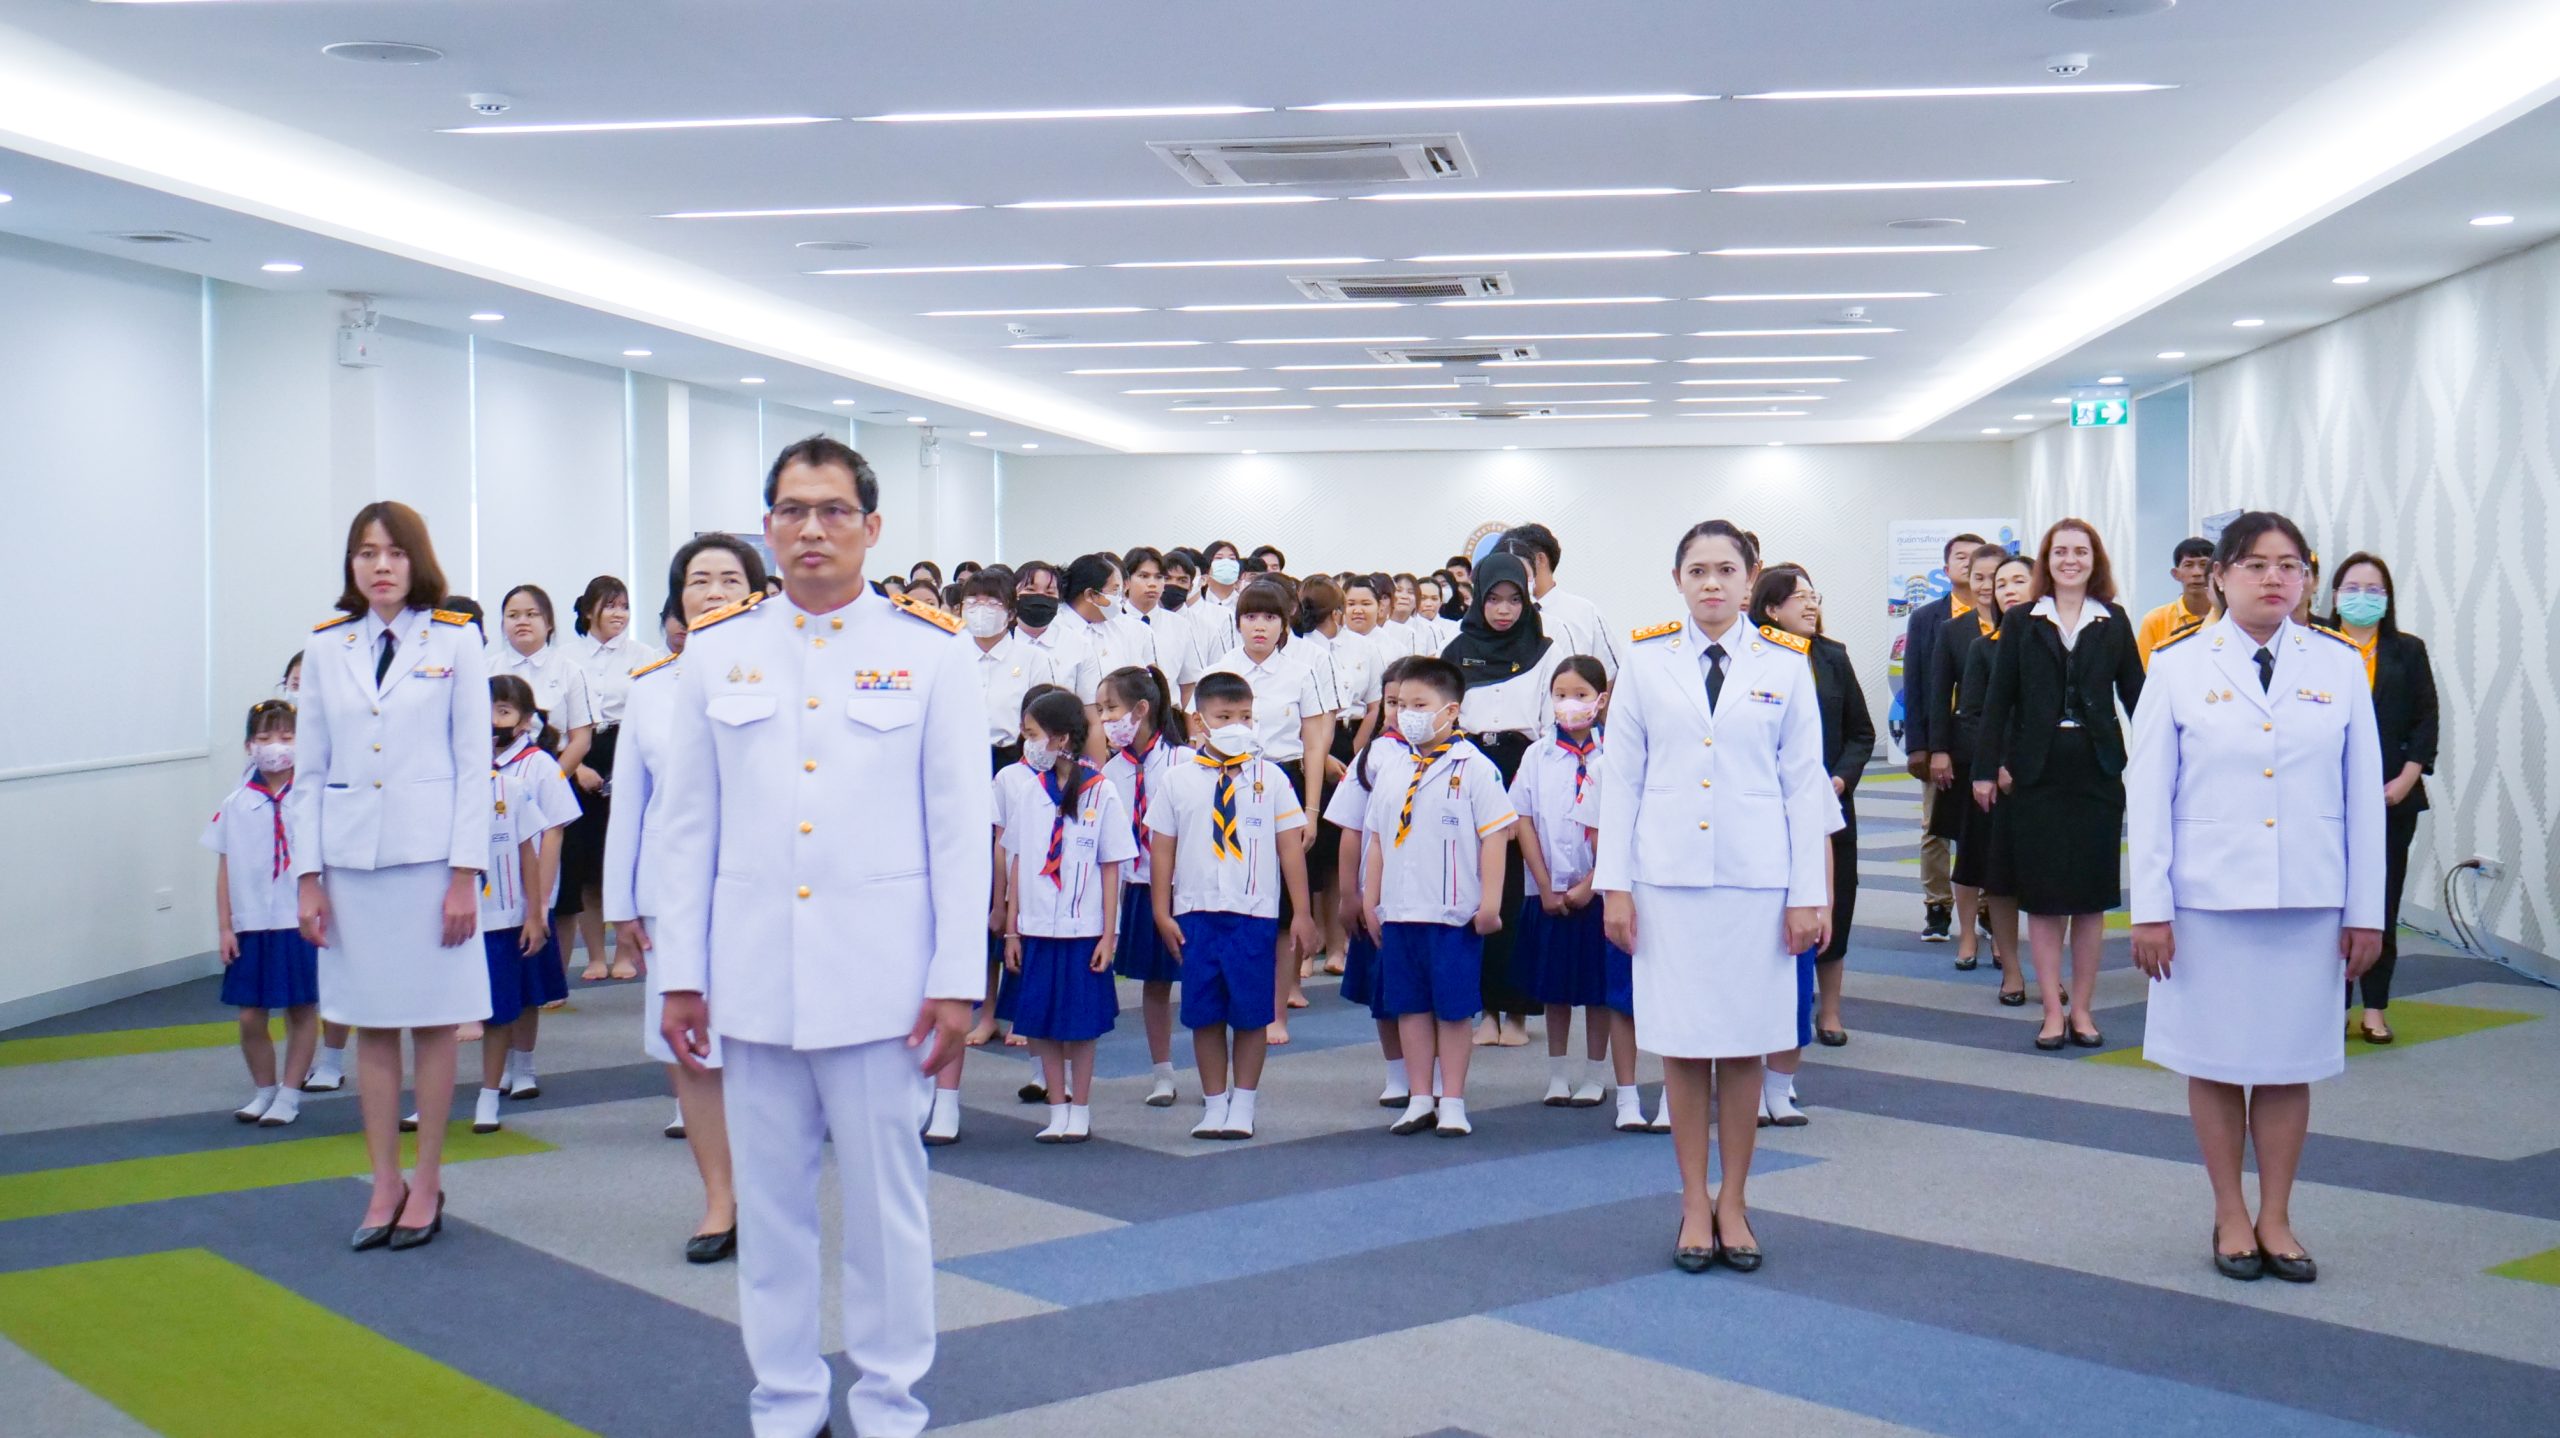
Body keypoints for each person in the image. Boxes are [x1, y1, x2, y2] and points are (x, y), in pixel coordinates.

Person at [652, 435, 990, 1438]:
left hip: (885, 984)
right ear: (768, 527)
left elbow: (958, 828)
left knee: (887, 1215)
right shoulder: (718, 649)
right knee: (771, 1216)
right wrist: (680, 974)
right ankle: (786, 1404)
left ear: (871, 526)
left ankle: (889, 1407)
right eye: (793, 510)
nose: (812, 529)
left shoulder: (930, 650)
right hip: (752, 977)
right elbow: (687, 829)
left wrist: (957, 978)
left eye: (834, 510)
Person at [2128, 511, 2383, 1284]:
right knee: (2213, 1060)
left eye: (2290, 565)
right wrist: (2150, 908)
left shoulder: (2338, 664)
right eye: (2256, 564)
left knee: (2285, 1062)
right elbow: (2150, 794)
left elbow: (2362, 796)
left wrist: (2365, 910)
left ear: (2306, 578)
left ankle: (2276, 1215)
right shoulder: (2177, 665)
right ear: (2221, 576)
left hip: (2308, 898)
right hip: (2206, 901)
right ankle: (2229, 1212)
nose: (2275, 578)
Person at [1597, 520, 1839, 1275]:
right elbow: (1621, 782)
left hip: (1756, 883)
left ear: (1749, 578)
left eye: (1726, 569)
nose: (1711, 583)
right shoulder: (1644, 661)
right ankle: (1692, 1201)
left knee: (1742, 1045)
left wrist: (1809, 894)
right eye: (1697, 570)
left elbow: (1803, 785)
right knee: (1681, 1044)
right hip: (1666, 883)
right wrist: (1614, 887)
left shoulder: (1786, 663)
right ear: (1677, 580)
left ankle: (1733, 1200)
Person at [288, 501, 491, 1252]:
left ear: (417, 560)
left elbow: (474, 765)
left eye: (395, 552)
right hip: (352, 866)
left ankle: (427, 1180)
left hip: (432, 863)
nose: (380, 565)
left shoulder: (455, 639)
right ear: (352, 564)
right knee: (370, 1025)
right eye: (367, 552)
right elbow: (309, 773)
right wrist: (307, 877)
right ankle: (384, 1182)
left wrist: (465, 874)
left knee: (435, 1025)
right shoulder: (327, 646)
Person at [604, 533, 766, 1263]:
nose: (714, 591)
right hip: (673, 894)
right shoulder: (650, 687)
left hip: (763, 886)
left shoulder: (784, 675)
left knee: (763, 1049)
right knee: (693, 1051)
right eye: (699, 580)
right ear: (678, 598)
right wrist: (620, 904)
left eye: (730, 578)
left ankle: (769, 1192)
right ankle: (719, 1200)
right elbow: (631, 805)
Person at [1975, 519, 2145, 1051]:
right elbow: (1998, 699)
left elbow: (2138, 696)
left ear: (2096, 560)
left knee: (2091, 899)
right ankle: (2052, 1009)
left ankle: (2084, 1010)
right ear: (2046, 560)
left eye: (2081, 551)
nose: (2071, 560)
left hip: (2096, 770)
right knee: (2046, 899)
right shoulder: (2022, 619)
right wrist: (1985, 768)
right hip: (2037, 772)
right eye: (2060, 551)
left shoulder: (2113, 620)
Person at [1146, 670, 1320, 1141]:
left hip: (1253, 913)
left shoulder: (1272, 778)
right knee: (1204, 1013)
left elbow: (1289, 848)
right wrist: (1161, 910)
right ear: (1199, 721)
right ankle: (1214, 1102)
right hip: (1196, 912)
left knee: (1250, 1013)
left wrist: (1302, 912)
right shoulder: (1177, 780)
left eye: (1245, 716)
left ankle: (1243, 1103)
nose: (1236, 726)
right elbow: (1162, 848)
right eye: (1224, 717)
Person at [1359, 657, 1515, 1138]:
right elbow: (1378, 839)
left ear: (1450, 710)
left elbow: (1495, 837)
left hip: (1452, 914)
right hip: (1400, 909)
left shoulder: (1475, 768)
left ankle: (1453, 1101)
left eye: (1420, 705)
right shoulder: (1391, 767)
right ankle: (1420, 1097)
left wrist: (1491, 903)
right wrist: (1370, 898)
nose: (1408, 714)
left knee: (1451, 1010)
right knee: (1409, 1007)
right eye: (1402, 705)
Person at [1754, 565, 1876, 1113]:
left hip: (1828, 798)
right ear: (1770, 608)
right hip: (1765, 803)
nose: (1810, 605)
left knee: (1834, 899)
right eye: (1798, 597)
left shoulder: (1832, 656)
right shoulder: (1753, 658)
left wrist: (1841, 778)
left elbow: (1862, 732)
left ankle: (1829, 1009)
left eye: (1813, 596)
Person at [1199, 579, 1336, 1040]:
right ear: (1237, 623)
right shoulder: (1220, 670)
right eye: (1251, 617)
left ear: (1285, 623)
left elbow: (1314, 745)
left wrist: (1311, 809)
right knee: (1234, 894)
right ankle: (1231, 998)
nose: (1260, 626)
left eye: (1271, 617)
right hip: (1229, 782)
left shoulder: (1301, 671)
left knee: (1283, 904)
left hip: (1284, 779)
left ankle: (1278, 1008)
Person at [1001, 690, 1134, 1143]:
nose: (1029, 744)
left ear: (1060, 739)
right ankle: (1056, 1107)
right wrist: (1012, 930)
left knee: (1079, 1024)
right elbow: (1018, 861)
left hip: (1083, 930)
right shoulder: (1029, 792)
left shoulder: (1101, 791)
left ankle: (1080, 1108)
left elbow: (1111, 866)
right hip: (1037, 927)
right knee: (1040, 1021)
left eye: (1034, 734)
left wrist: (1109, 935)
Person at [1443, 552, 1562, 1047]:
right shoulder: (1456, 650)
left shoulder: (1545, 650)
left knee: (1516, 893)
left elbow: (1551, 721)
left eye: (1515, 599)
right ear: (1478, 599)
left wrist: (1529, 786)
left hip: (1523, 764)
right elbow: (1445, 716)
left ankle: (1516, 1014)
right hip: (1469, 766)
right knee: (1475, 890)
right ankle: (1484, 1011)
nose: (1505, 610)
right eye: (1494, 599)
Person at [2327, 553, 2438, 1043]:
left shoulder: (2407, 651)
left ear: (2388, 599)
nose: (2363, 598)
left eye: (2374, 590)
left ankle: (2374, 1008)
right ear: (2334, 596)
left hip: (2393, 797)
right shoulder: (2316, 645)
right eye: (2353, 588)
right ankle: (2332, 1005)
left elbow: (2425, 720)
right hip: (2326, 800)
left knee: (2381, 902)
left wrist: (2407, 779)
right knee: (2328, 906)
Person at [464, 675, 579, 1134]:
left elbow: (550, 832)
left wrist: (540, 902)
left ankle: (522, 1066)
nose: (493, 721)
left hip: (522, 896)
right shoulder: (463, 770)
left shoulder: (536, 766)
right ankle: (486, 1076)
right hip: (474, 902)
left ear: (526, 720)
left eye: (504, 711)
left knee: (524, 987)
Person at [205, 699, 321, 1127]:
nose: (276, 746)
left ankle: (290, 1094)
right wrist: (225, 926)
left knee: (301, 1008)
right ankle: (264, 1090)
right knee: (250, 1015)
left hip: (298, 919)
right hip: (251, 923)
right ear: (249, 746)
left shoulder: (313, 797)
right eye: (265, 737)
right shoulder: (236, 802)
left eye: (287, 737)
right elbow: (224, 868)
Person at [1511, 656, 1619, 1114]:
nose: (1569, 704)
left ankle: (1595, 1074)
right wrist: (1543, 884)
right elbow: (1523, 819)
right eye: (1560, 695)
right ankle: (1557, 1073)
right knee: (1554, 987)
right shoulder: (1537, 754)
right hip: (1548, 889)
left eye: (1580, 695)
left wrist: (1592, 884)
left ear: (1601, 699)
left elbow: (1624, 825)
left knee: (1598, 989)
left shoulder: (1616, 753)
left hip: (1602, 891)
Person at [488, 584, 600, 989]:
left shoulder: (568, 669)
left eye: (532, 614)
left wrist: (545, 782)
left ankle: (553, 976)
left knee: (561, 890)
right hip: (494, 792)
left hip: (551, 782)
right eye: (513, 614)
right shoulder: (486, 669)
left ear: (549, 623)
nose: (522, 621)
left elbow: (581, 737)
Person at [1099, 665, 1192, 1106]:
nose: (1104, 719)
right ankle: (1163, 1073)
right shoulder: (1110, 771)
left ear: (1140, 709)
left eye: (1110, 709)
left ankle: (1219, 1072)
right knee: (1155, 984)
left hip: (1186, 886)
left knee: (1206, 979)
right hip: (1140, 886)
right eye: (1100, 710)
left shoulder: (1184, 762)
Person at [562, 576, 660, 987]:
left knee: (623, 854)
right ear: (589, 611)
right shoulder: (566, 657)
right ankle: (596, 955)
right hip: (582, 751)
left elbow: (651, 714)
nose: (619, 614)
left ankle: (624, 952)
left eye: (624, 606)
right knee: (586, 864)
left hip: (628, 748)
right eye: (610, 606)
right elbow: (561, 720)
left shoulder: (645, 655)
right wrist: (577, 766)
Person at [1958, 554, 2039, 1007]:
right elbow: (1972, 716)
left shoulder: (2058, 644)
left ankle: (2049, 972)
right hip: (1999, 780)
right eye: (2001, 583)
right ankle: (2011, 971)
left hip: (2048, 778)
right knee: (2002, 882)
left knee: (2050, 885)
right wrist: (1997, 765)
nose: (2007, 589)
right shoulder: (1983, 648)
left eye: (2018, 581)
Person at [1924, 547, 2006, 974]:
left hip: (2012, 756)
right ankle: (1968, 933)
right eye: (1979, 577)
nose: (1987, 585)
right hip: (1967, 752)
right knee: (1968, 848)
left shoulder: (2026, 628)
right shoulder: (1954, 631)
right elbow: (1940, 693)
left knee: (2002, 850)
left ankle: (2002, 935)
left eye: (1996, 577)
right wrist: (1939, 749)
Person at [1902, 533, 1984, 943]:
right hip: (1940, 738)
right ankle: (1937, 907)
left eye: (1977, 558)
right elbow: (1916, 683)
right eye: (1961, 557)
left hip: (1984, 740)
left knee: (1985, 826)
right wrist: (1921, 745)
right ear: (1946, 568)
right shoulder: (1926, 618)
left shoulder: (2003, 616)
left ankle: (1987, 908)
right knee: (1934, 827)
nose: (1969, 564)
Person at [957, 573, 1057, 776]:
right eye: (972, 603)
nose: (981, 610)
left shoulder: (1033, 658)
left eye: (992, 603)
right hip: (960, 758)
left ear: (1011, 614)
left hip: (1013, 759)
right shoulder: (952, 657)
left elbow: (1045, 718)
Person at [1505, 523, 1619, 677]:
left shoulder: (1585, 612)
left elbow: (1611, 674)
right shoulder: (1505, 614)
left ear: (1540, 559)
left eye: (1514, 561)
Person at [2137, 537, 2217, 666]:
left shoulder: (2230, 616)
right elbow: (2145, 671)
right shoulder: (2155, 620)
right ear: (2175, 574)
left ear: (2216, 571)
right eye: (2188, 565)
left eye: (2203, 564)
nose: (2197, 573)